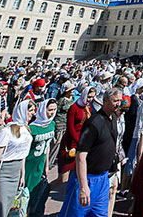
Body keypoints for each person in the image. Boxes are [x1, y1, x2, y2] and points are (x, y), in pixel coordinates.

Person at [60, 87, 122, 217]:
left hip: (103, 179)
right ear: (105, 101)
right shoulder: (93, 122)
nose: (118, 104)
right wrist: (83, 187)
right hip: (87, 179)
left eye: (120, 101)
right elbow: (81, 156)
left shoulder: (114, 120)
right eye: (115, 101)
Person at [0, 99, 37, 217]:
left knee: (10, 207)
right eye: (30, 110)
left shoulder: (26, 129)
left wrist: (22, 174)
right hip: (4, 172)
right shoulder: (6, 131)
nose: (33, 113)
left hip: (16, 172)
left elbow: (23, 154)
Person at [56, 87, 96, 187]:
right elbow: (70, 127)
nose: (90, 99)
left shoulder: (88, 108)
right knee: (62, 178)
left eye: (92, 97)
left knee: (75, 175)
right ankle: (42, 194)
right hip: (71, 142)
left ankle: (68, 198)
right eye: (89, 96)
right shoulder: (74, 108)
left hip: (81, 141)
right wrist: (79, 141)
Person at [25, 99, 57, 217]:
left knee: (36, 196)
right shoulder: (32, 128)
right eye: (49, 110)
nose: (52, 113)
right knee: (25, 195)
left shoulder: (52, 124)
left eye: (54, 110)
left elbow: (48, 145)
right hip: (29, 164)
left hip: (40, 163)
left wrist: (47, 165)